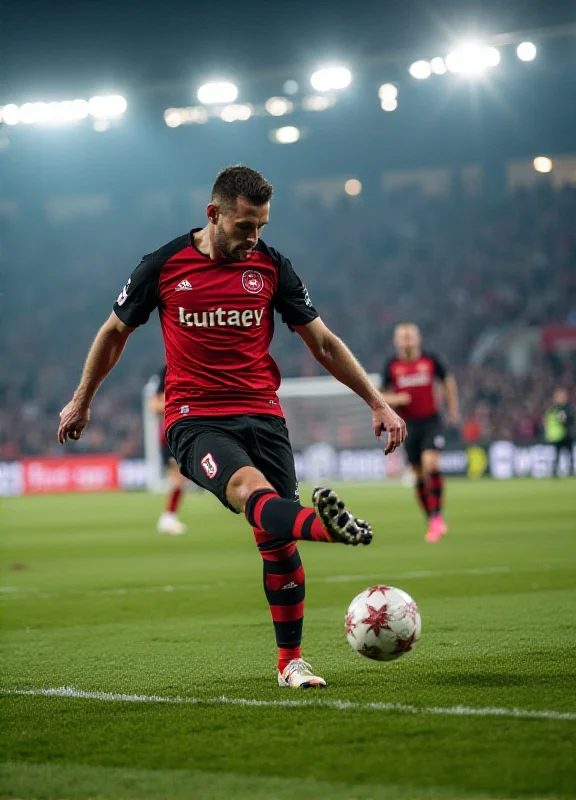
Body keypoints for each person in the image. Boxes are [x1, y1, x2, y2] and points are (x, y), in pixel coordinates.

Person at [57, 165, 406, 689]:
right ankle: (323, 527)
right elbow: (113, 333)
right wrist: (82, 400)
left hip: (263, 415)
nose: (255, 238)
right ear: (213, 215)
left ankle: (290, 662)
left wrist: (376, 402)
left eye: (262, 225)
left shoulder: (271, 267)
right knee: (249, 490)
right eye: (246, 226)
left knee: (276, 540)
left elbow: (324, 342)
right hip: (195, 419)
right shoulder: (163, 265)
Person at [380, 322, 459, 543]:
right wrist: (397, 399)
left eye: (409, 337)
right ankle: (432, 518)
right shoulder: (391, 366)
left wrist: (452, 409)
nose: (406, 341)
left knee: (430, 464)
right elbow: (380, 396)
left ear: (418, 339)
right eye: (402, 337)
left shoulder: (431, 361)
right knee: (418, 475)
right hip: (407, 426)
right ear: (396, 341)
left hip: (432, 421)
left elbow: (448, 382)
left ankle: (436, 516)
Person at [151, 365, 189, 535]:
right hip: (171, 435)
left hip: (191, 432)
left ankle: (169, 516)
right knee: (178, 475)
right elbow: (155, 406)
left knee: (180, 477)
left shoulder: (200, 366)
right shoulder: (166, 371)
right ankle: (168, 517)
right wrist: (181, 405)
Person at [544, 388, 576, 477]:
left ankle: (571, 471)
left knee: (569, 454)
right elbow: (548, 422)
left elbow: (572, 420)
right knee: (557, 455)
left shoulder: (567, 408)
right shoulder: (555, 409)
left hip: (567, 434)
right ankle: (555, 472)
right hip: (558, 435)